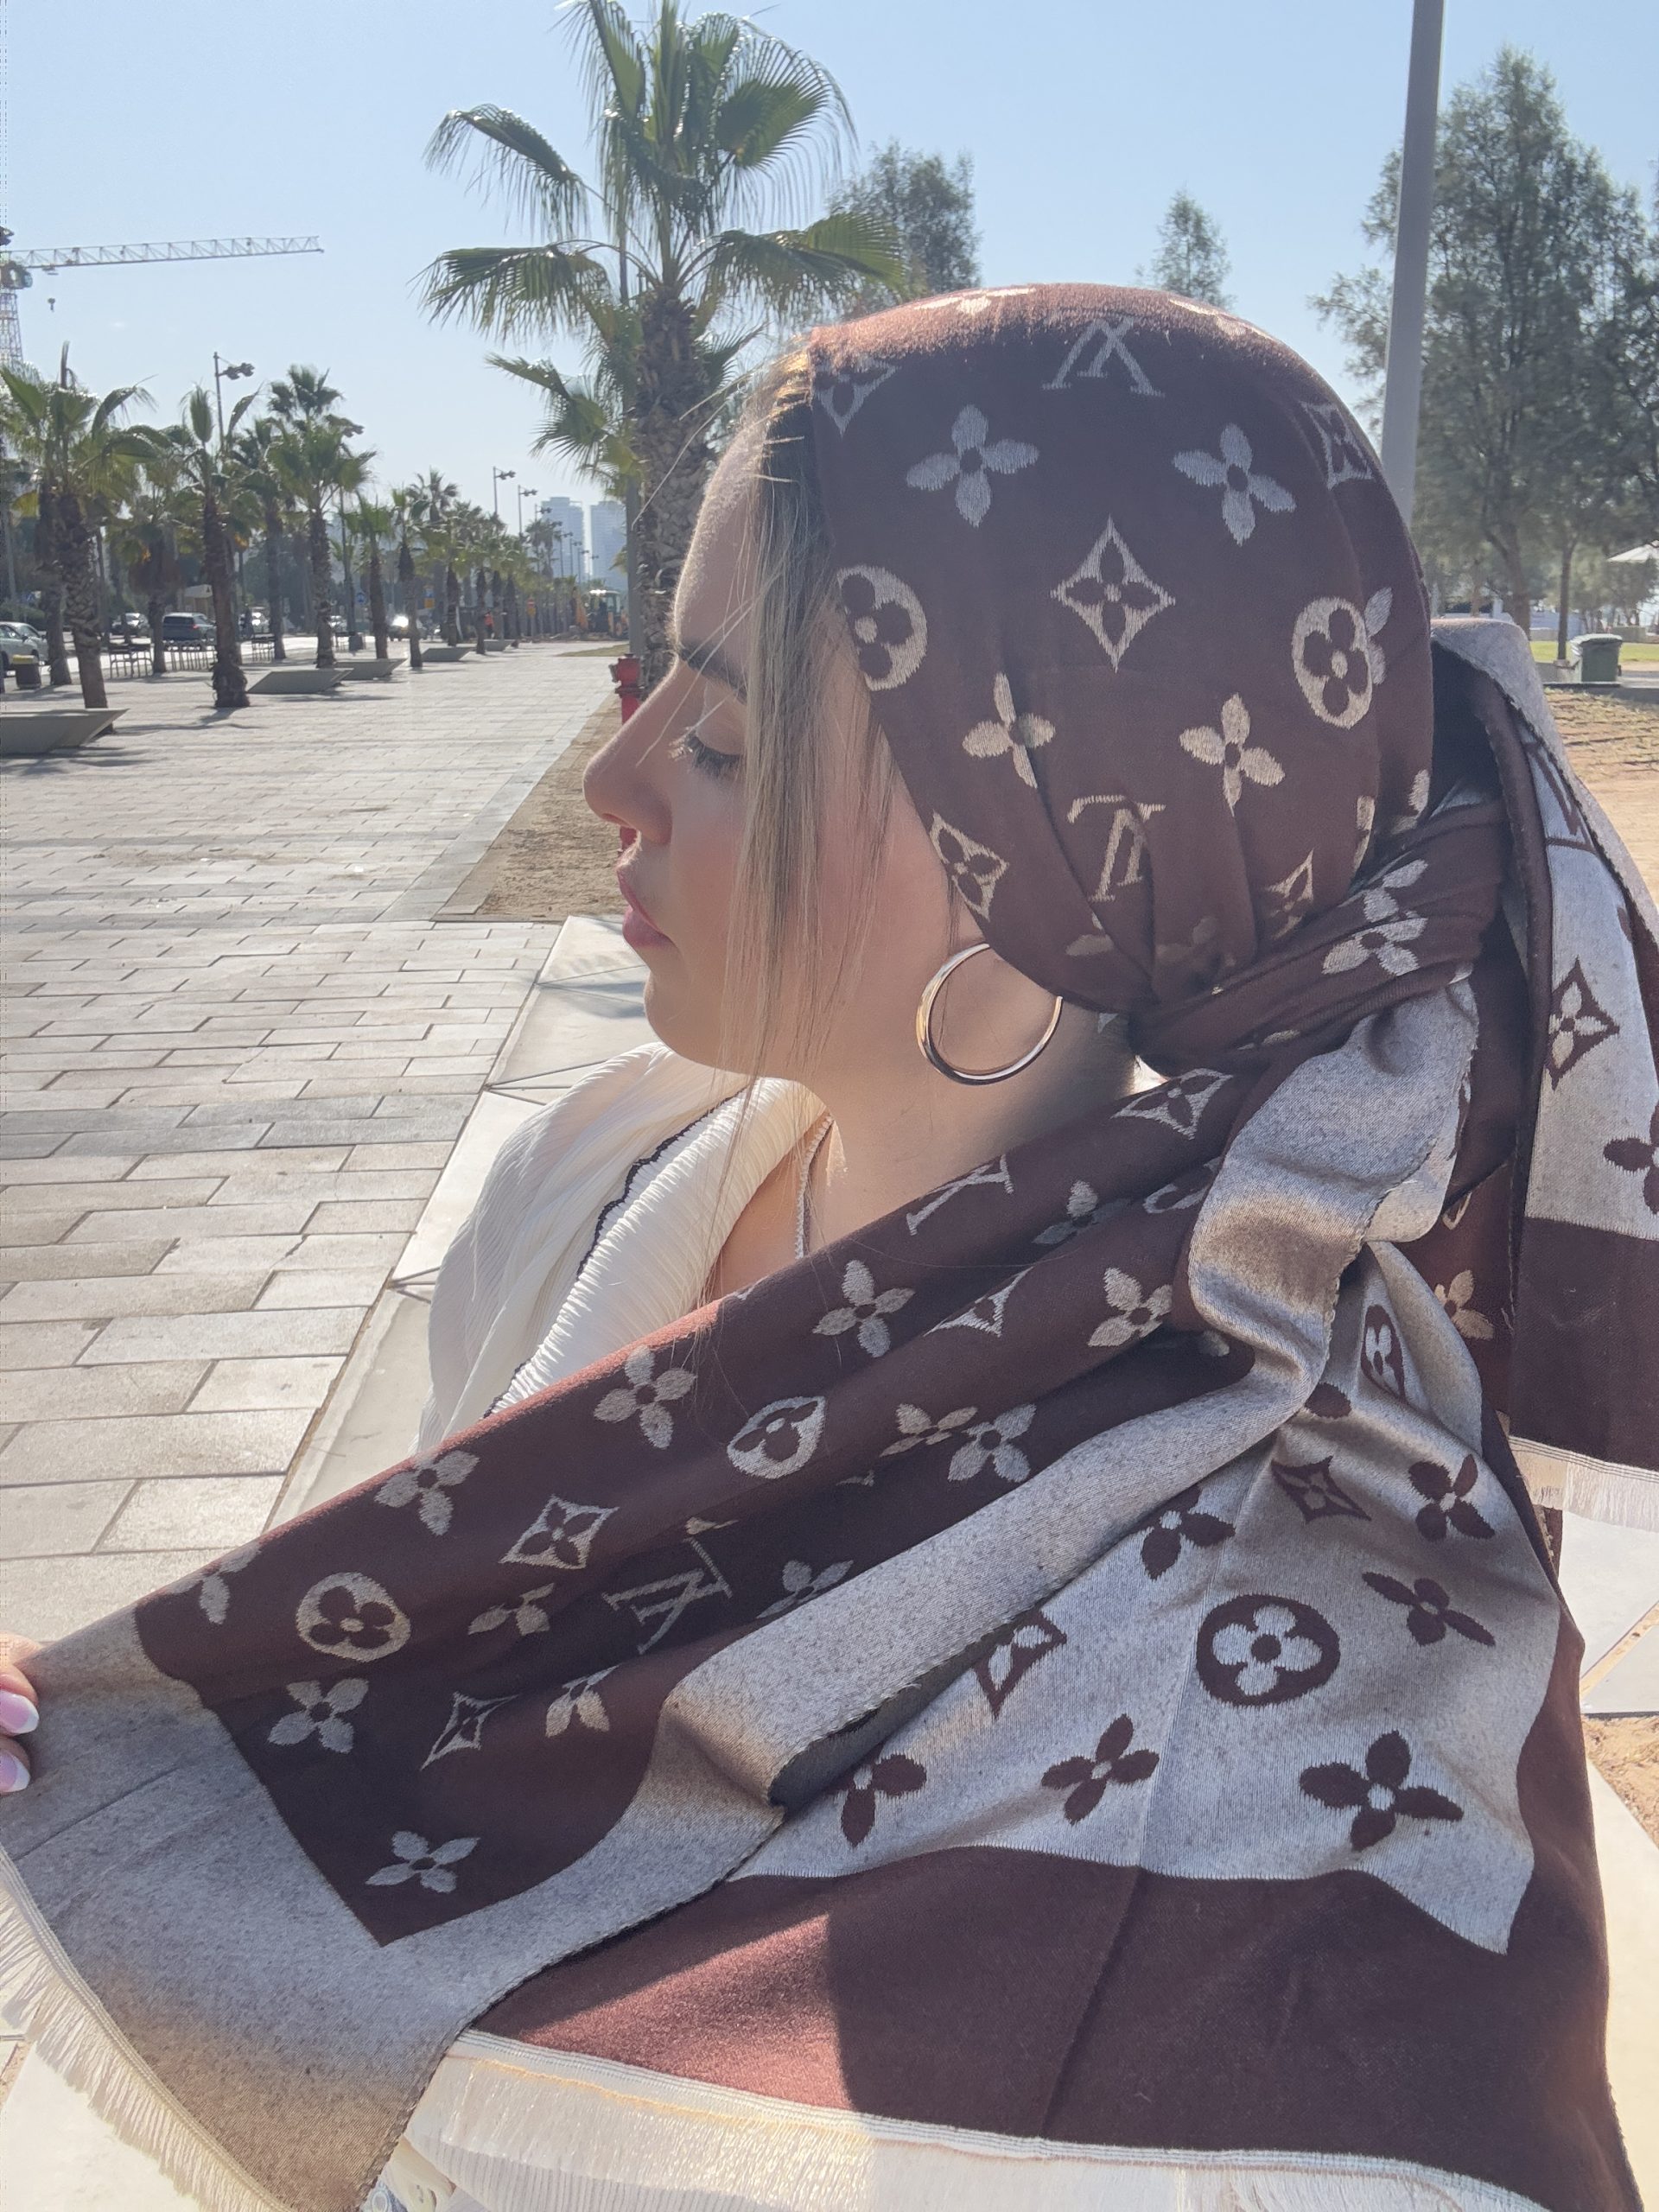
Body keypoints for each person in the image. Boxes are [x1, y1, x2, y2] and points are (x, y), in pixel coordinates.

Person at [2, 288, 1653, 2212]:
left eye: (722, 739)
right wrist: (83, 1739)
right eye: (650, 689)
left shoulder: (1317, 1598)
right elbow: (400, 1683)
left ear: (1051, 862)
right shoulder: (590, 1176)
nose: (615, 786)